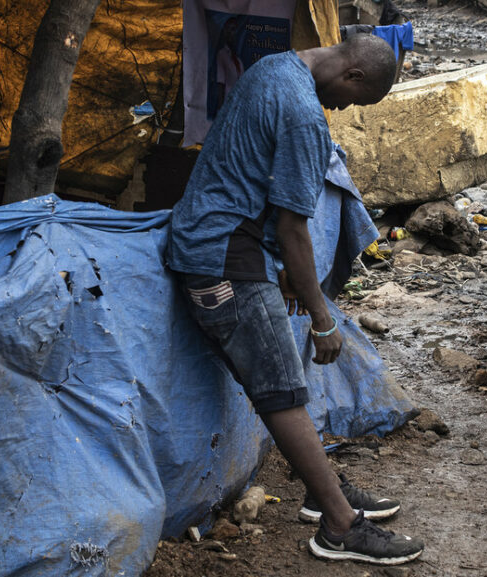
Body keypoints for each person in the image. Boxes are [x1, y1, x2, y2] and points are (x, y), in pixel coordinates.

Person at [168, 34, 424, 565]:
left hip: (216, 239)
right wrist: (323, 316)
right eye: (352, 100)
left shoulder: (274, 67)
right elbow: (294, 228)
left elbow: (251, 179)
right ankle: (339, 526)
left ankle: (319, 488)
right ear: (353, 75)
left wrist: (281, 275)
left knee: (281, 376)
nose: (342, 108)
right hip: (223, 257)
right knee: (282, 388)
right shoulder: (305, 115)